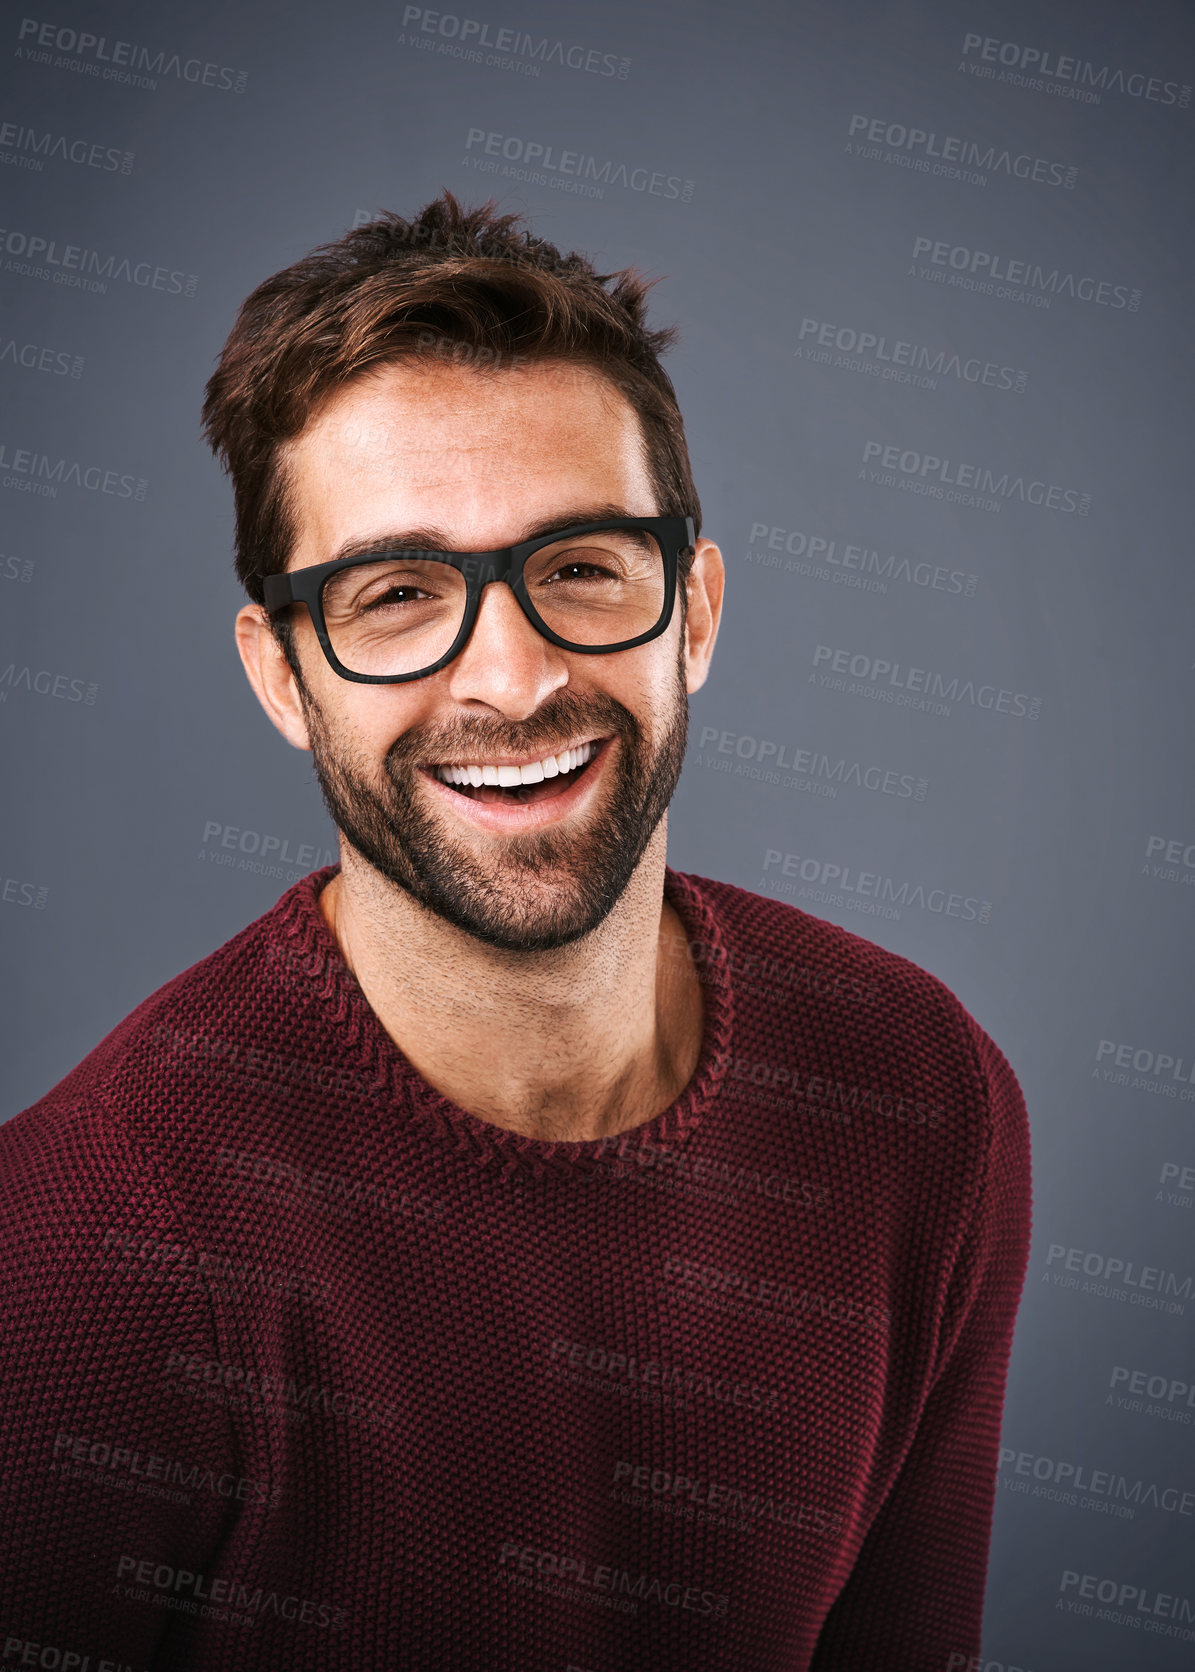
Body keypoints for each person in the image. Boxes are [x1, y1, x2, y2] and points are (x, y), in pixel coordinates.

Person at [0, 190, 1032, 1670]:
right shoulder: (73, 1264)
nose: (515, 672)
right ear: (285, 677)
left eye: (580, 566)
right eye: (399, 594)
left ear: (694, 611)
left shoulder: (922, 1094)